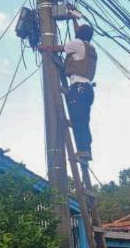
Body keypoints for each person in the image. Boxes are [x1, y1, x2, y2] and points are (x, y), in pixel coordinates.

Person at [38, 14, 97, 161]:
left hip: (78, 89)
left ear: (80, 34)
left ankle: (83, 151)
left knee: (78, 120)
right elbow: (79, 32)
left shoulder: (77, 43)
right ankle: (87, 150)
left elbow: (57, 48)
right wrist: (73, 18)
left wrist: (44, 48)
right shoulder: (90, 48)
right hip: (87, 90)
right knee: (83, 121)